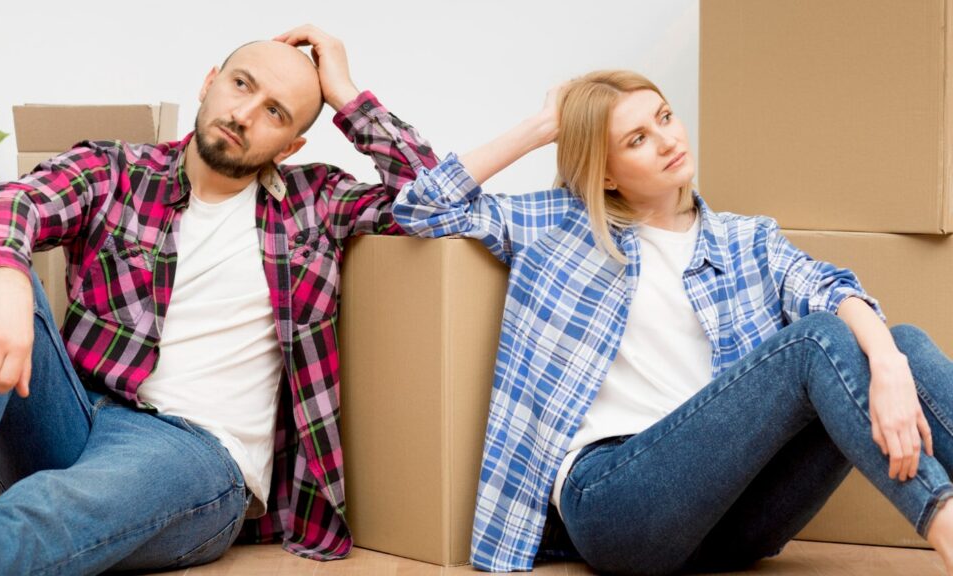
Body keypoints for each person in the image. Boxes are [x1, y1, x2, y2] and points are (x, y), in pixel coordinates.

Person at [393, 70, 953, 574]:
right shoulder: (557, 226)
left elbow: (831, 290)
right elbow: (422, 208)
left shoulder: (745, 238)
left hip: (734, 520)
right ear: (606, 174)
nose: (667, 141)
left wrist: (887, 364)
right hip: (617, 504)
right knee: (817, 343)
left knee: (903, 343)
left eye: (664, 117)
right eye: (636, 139)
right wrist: (543, 125)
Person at [0, 24, 437, 575]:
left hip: (194, 455)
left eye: (275, 112)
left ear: (291, 146)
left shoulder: (317, 201)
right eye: (242, 85)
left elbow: (440, 202)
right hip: (78, 417)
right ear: (210, 81)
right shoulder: (118, 171)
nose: (244, 114)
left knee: (50, 512)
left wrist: (345, 93)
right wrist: (5, 281)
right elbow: (10, 203)